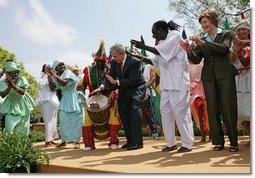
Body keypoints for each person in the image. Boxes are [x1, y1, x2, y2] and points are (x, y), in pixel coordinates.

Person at [180, 9, 239, 152]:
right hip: (208, 77)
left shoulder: (226, 33)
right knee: (212, 109)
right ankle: (218, 142)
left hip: (225, 74)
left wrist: (204, 44)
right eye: (201, 23)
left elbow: (224, 49)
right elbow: (197, 59)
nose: (203, 25)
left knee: (228, 107)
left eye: (205, 22)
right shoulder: (203, 39)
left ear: (212, 20)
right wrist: (189, 51)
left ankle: (233, 142)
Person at [130, 20, 194, 153]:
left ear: (161, 30)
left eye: (154, 33)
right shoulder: (161, 43)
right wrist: (140, 57)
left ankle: (187, 144)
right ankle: (171, 143)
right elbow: (156, 60)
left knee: (181, 113)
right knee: (165, 113)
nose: (153, 37)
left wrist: (145, 46)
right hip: (166, 85)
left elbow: (163, 52)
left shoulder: (174, 35)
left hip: (179, 83)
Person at [91, 43, 146, 151]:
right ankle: (130, 141)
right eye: (112, 56)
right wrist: (101, 87)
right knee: (123, 113)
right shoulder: (114, 63)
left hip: (136, 90)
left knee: (134, 112)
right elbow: (109, 77)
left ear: (122, 54)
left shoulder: (134, 62)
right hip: (124, 91)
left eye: (115, 56)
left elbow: (134, 80)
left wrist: (116, 82)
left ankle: (138, 142)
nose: (113, 58)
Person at [82, 40, 122, 151]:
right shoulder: (89, 72)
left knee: (113, 119)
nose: (100, 63)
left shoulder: (110, 70)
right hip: (92, 99)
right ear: (95, 61)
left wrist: (108, 88)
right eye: (98, 61)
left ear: (106, 61)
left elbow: (115, 83)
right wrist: (81, 91)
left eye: (102, 62)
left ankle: (113, 142)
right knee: (87, 122)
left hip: (110, 98)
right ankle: (89, 144)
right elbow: (83, 85)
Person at [46, 60, 84, 149]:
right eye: (59, 65)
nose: (62, 65)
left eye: (63, 64)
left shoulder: (68, 73)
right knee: (63, 121)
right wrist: (50, 79)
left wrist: (53, 75)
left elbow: (64, 82)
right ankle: (64, 141)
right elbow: (53, 88)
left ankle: (77, 142)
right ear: (56, 68)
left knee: (76, 121)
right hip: (65, 100)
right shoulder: (59, 76)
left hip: (73, 98)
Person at [0, 60, 35, 136]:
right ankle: (9, 146)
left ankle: (22, 147)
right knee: (9, 130)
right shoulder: (2, 82)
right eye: (13, 72)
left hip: (24, 106)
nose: (16, 74)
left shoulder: (22, 79)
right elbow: (2, 95)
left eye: (17, 72)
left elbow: (22, 92)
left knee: (23, 131)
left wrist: (13, 86)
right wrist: (9, 86)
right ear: (7, 74)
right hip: (11, 106)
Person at [229, 21, 250, 146]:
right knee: (241, 111)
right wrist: (236, 51)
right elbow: (231, 61)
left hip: (250, 77)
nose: (241, 32)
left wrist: (240, 49)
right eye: (239, 30)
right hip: (239, 78)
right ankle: (250, 136)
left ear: (249, 31)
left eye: (244, 29)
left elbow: (246, 63)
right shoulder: (234, 46)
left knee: (250, 110)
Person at [36, 64, 59, 147]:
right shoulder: (45, 77)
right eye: (47, 68)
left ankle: (51, 139)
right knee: (49, 121)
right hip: (47, 99)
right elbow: (52, 88)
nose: (49, 69)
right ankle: (48, 141)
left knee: (53, 120)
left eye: (50, 68)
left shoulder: (51, 76)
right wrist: (50, 78)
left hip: (50, 98)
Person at [189, 60, 210, 142]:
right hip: (193, 89)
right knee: (198, 113)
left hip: (203, 88)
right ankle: (203, 134)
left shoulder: (203, 60)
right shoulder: (186, 63)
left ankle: (210, 132)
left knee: (207, 112)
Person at [141, 62, 159, 140]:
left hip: (147, 92)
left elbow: (153, 78)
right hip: (135, 93)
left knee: (150, 113)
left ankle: (154, 133)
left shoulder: (148, 67)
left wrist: (145, 86)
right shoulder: (131, 66)